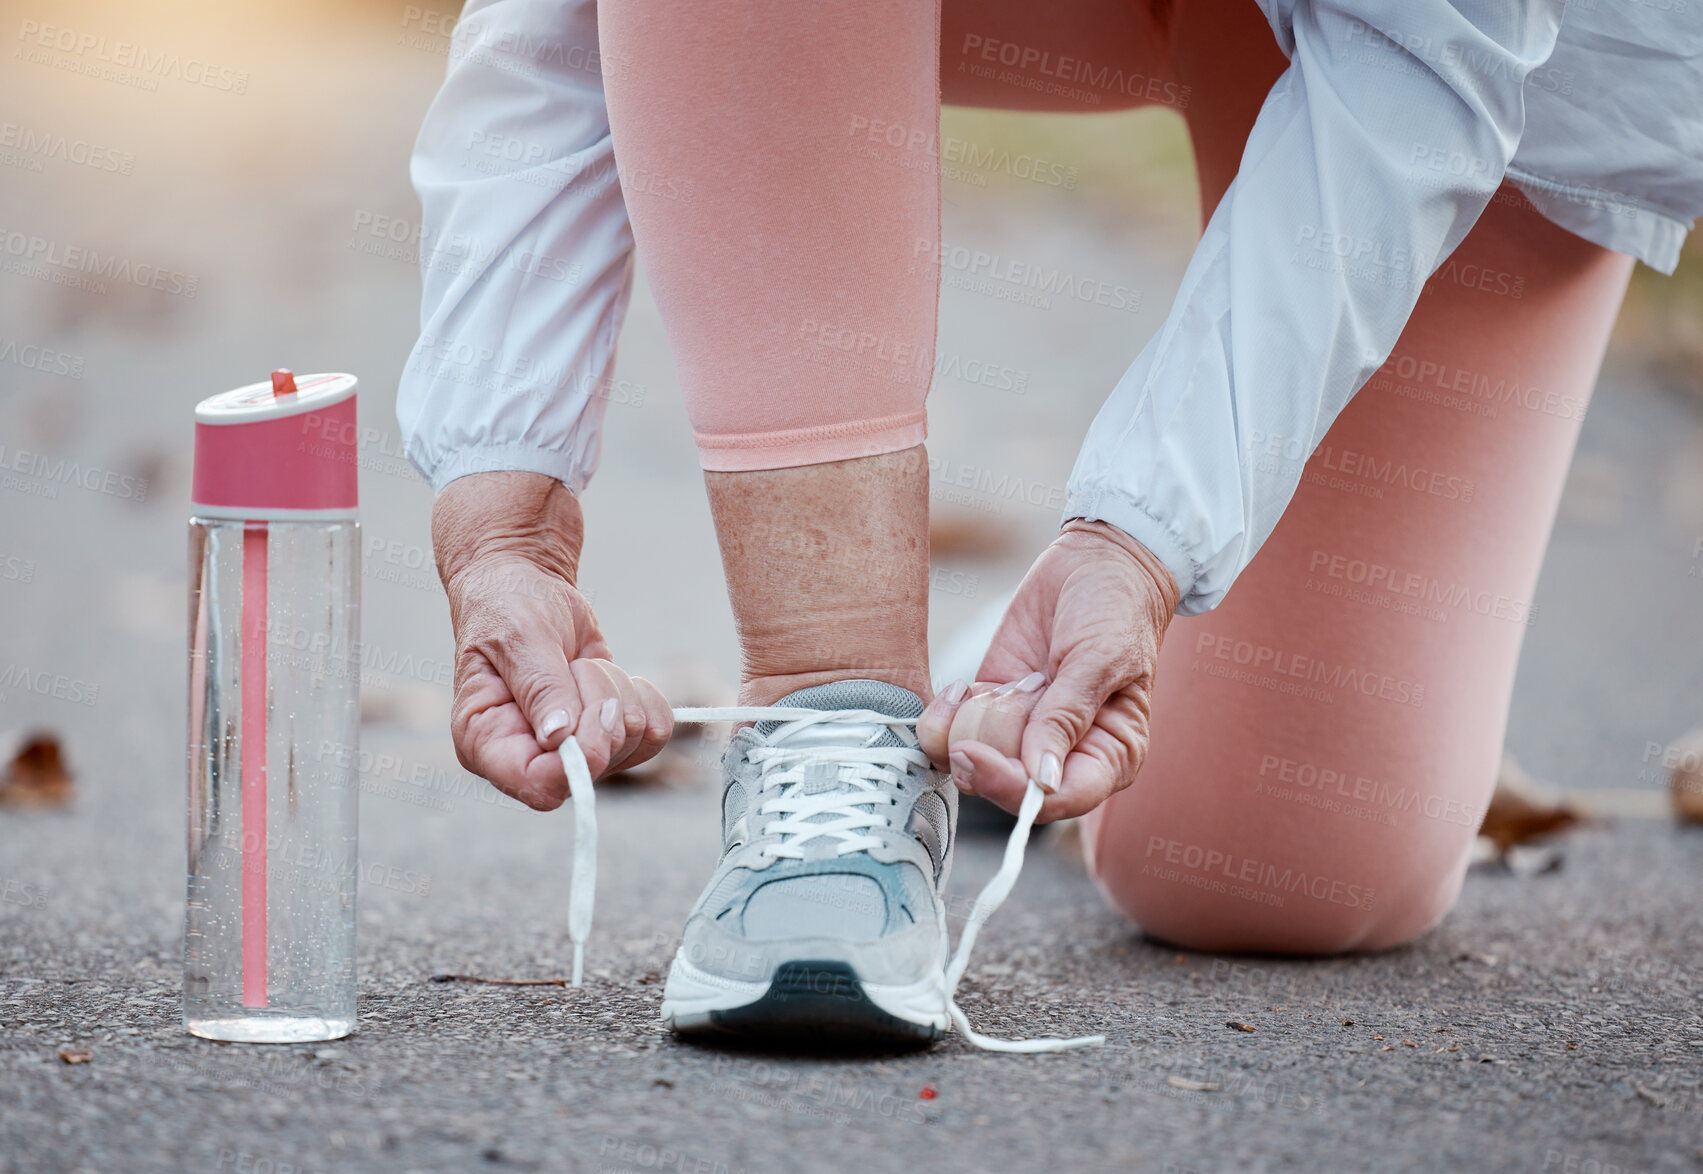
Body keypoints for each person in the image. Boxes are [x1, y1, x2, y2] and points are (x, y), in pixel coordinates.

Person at [398, 0, 1702, 1043]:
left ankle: (999, 672)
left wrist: (1144, 534)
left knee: (1273, 874)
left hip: (1451, 42)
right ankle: (837, 708)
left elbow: (1428, 62)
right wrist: (500, 495)